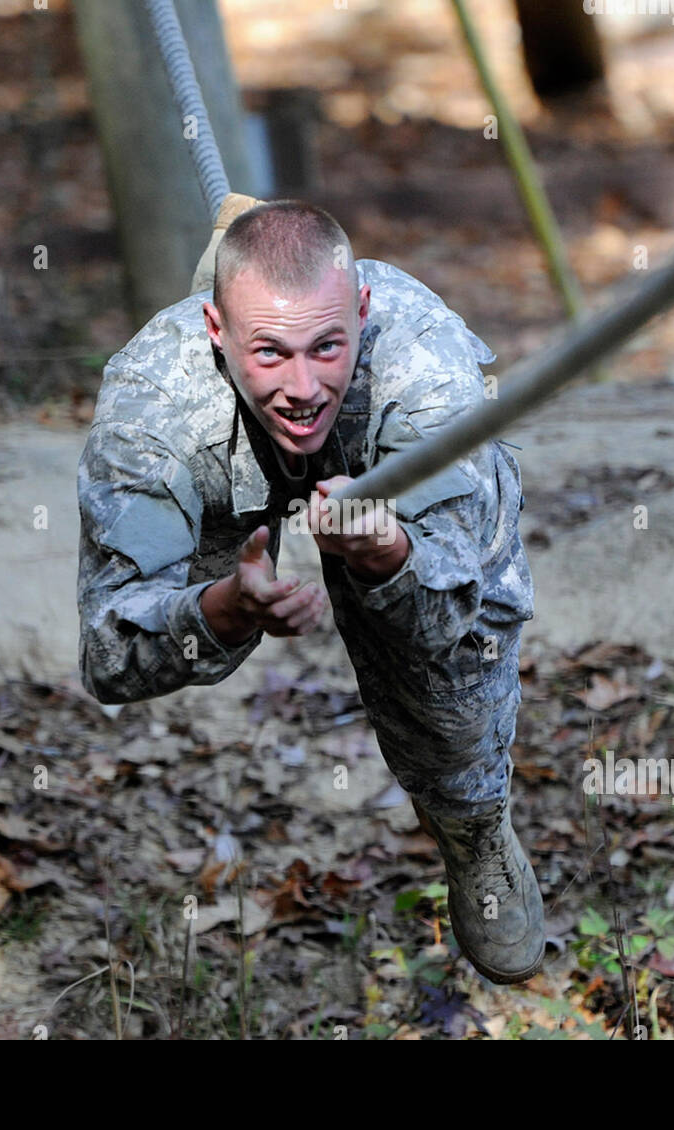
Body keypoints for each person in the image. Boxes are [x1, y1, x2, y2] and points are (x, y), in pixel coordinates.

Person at [77, 199, 544, 984]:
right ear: (217, 331)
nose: (302, 386)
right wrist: (226, 609)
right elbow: (107, 655)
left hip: (383, 478)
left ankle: (473, 824)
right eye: (272, 352)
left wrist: (386, 556)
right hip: (221, 456)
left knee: (450, 652)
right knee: (188, 589)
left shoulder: (419, 363)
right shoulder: (153, 404)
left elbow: (459, 613)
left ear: (361, 310)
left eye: (327, 346)